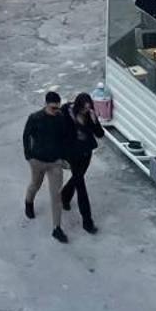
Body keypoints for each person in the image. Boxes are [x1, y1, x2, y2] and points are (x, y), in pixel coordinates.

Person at [20, 90, 73, 243]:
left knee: (56, 195)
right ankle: (29, 202)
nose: (56, 111)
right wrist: (28, 156)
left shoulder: (60, 119)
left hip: (55, 162)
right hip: (37, 160)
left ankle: (57, 228)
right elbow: (26, 136)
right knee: (35, 184)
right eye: (53, 108)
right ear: (46, 105)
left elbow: (65, 139)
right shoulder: (35, 118)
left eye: (58, 108)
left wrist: (64, 158)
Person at [59, 91, 105, 233]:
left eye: (88, 108)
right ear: (78, 105)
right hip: (72, 153)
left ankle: (64, 196)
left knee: (77, 179)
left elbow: (100, 134)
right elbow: (59, 131)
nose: (86, 110)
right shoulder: (66, 112)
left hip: (85, 153)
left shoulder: (89, 115)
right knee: (81, 186)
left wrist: (94, 119)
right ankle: (87, 221)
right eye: (84, 108)